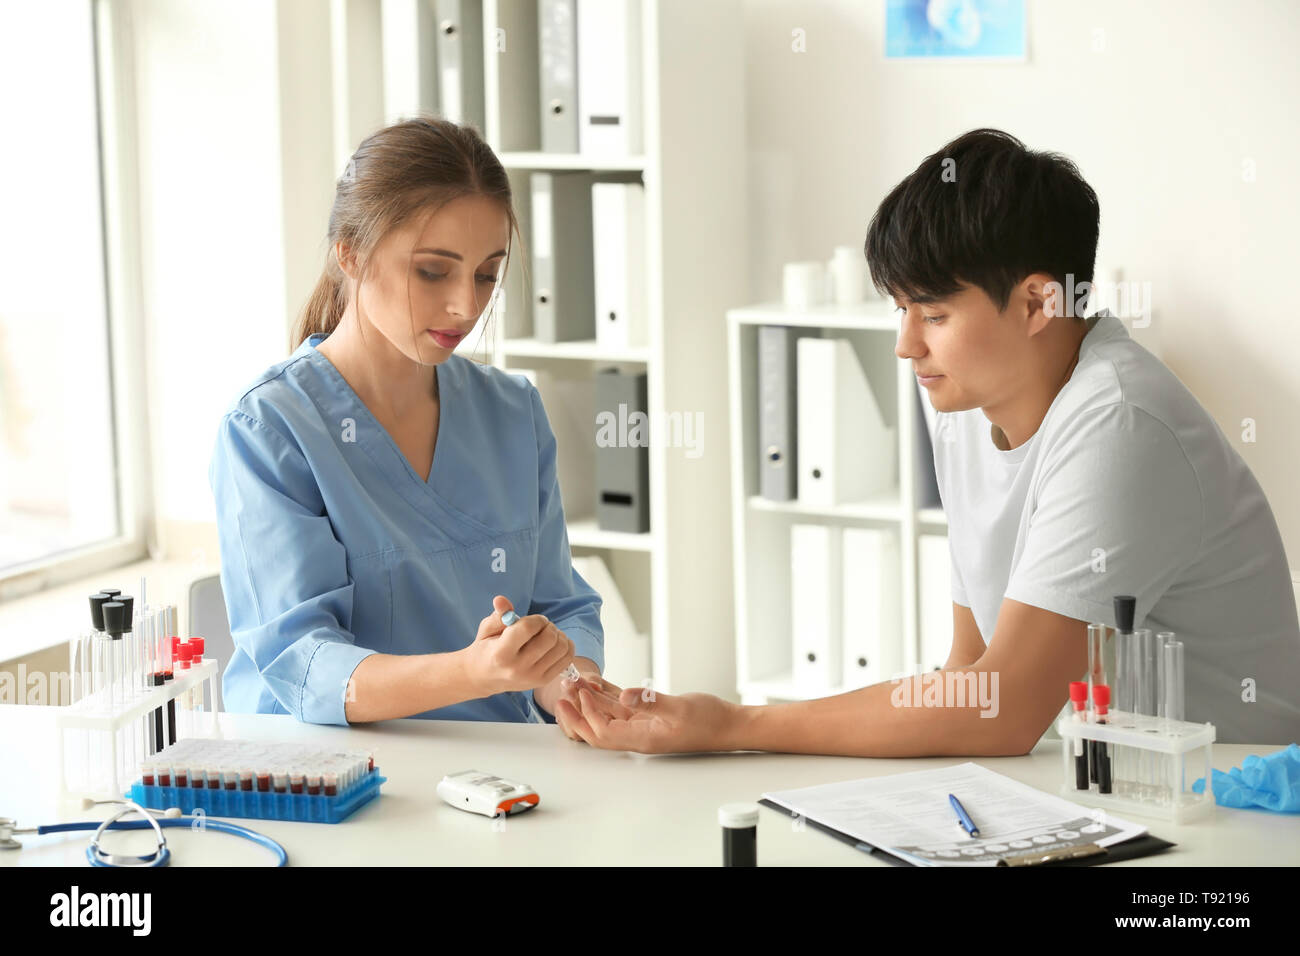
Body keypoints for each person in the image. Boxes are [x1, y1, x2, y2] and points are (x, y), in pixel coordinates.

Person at [559, 128, 1300, 754]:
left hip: (1222, 800)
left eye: (934, 313)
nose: (905, 345)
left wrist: (736, 722)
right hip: (1082, 777)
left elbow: (1001, 707)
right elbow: (968, 670)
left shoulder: (1120, 423)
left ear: (1041, 301)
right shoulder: (965, 411)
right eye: (900, 308)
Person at [209, 115, 615, 730]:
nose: (466, 305)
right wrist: (474, 672)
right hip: (332, 785)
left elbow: (563, 606)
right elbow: (304, 664)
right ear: (350, 254)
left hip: (497, 786)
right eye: (433, 271)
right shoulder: (271, 429)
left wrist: (566, 684)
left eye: (485, 274)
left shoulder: (513, 413)